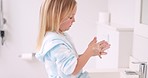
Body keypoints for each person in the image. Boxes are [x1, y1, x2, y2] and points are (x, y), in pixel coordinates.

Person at [35, 0, 110, 78]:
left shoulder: (59, 37)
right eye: (70, 17)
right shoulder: (55, 43)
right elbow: (73, 69)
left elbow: (70, 61)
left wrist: (91, 53)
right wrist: (89, 52)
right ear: (56, 17)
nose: (74, 20)